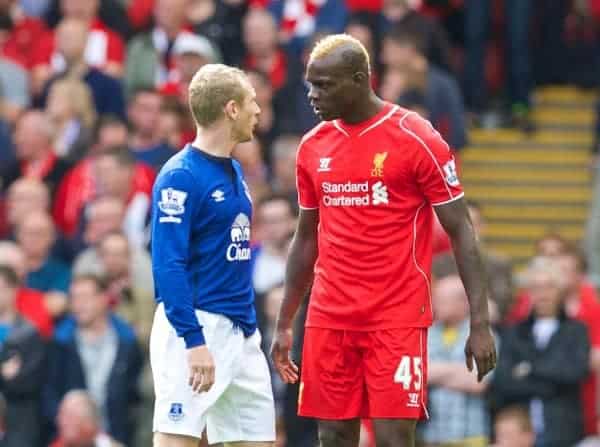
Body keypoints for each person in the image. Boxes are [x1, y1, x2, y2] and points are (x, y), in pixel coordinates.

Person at [270, 34, 496, 447]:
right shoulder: (312, 147)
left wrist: (479, 322)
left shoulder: (416, 138)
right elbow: (305, 240)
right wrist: (286, 322)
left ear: (359, 79)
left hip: (395, 316)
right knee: (334, 435)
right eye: (309, 84)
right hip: (329, 316)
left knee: (394, 436)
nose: (312, 95)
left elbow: (462, 229)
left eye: (323, 85)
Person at [150, 63, 275, 447]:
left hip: (242, 329)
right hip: (196, 327)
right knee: (177, 438)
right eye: (252, 101)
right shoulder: (180, 176)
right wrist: (193, 340)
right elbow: (167, 264)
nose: (258, 110)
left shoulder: (235, 169)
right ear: (231, 109)